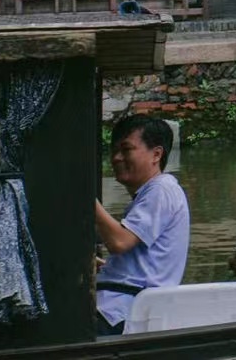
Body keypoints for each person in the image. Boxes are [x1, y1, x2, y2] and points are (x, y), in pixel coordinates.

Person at [93, 115, 190, 336]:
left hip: (122, 312)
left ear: (156, 154)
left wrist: (87, 199)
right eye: (114, 151)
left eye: (126, 150)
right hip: (117, 304)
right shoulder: (150, 193)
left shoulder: (161, 189)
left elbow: (119, 241)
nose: (117, 158)